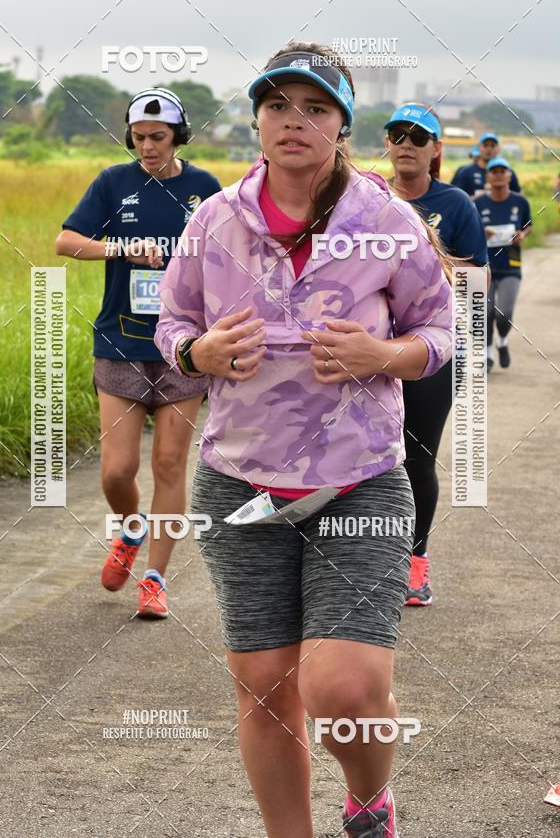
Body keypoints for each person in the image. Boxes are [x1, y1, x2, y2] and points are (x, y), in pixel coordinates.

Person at [155, 42, 452, 838]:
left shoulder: (385, 221)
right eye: (278, 105)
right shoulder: (214, 219)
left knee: (342, 689)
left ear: (341, 126)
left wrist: (380, 354)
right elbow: (172, 323)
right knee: (264, 687)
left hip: (357, 479)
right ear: (257, 119)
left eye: (316, 108)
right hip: (240, 486)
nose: (294, 121)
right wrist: (198, 352)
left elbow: (439, 332)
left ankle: (369, 802)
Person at [56, 88, 220, 619]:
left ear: (179, 136)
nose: (148, 147)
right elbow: (66, 241)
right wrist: (121, 247)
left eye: (159, 137)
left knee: (169, 463)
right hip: (120, 343)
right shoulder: (112, 182)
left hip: (183, 347)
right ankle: (129, 530)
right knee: (116, 470)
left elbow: (227, 257)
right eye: (139, 137)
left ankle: (155, 578)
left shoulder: (204, 189)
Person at [383, 103, 489, 607]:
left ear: (436, 150)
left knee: (415, 456)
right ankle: (365, 560)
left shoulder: (456, 204)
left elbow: (476, 279)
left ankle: (415, 562)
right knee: (366, 461)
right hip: (372, 351)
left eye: (418, 137)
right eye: (398, 135)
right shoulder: (369, 197)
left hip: (434, 352)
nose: (407, 144)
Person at [474, 157, 531, 372]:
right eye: (494, 171)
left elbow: (528, 225)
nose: (498, 174)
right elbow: (468, 229)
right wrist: (481, 232)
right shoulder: (477, 203)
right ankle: (487, 353)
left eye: (502, 171)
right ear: (488, 176)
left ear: (509, 175)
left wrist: (522, 234)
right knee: (486, 312)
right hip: (484, 265)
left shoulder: (520, 202)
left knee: (504, 313)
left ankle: (503, 342)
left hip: (510, 265)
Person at [452, 132, 520, 198]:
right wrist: (480, 198)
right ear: (479, 148)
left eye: (492, 145)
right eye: (485, 145)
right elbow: (456, 198)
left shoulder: (507, 172)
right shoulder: (466, 172)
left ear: (498, 148)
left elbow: (518, 198)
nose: (489, 149)